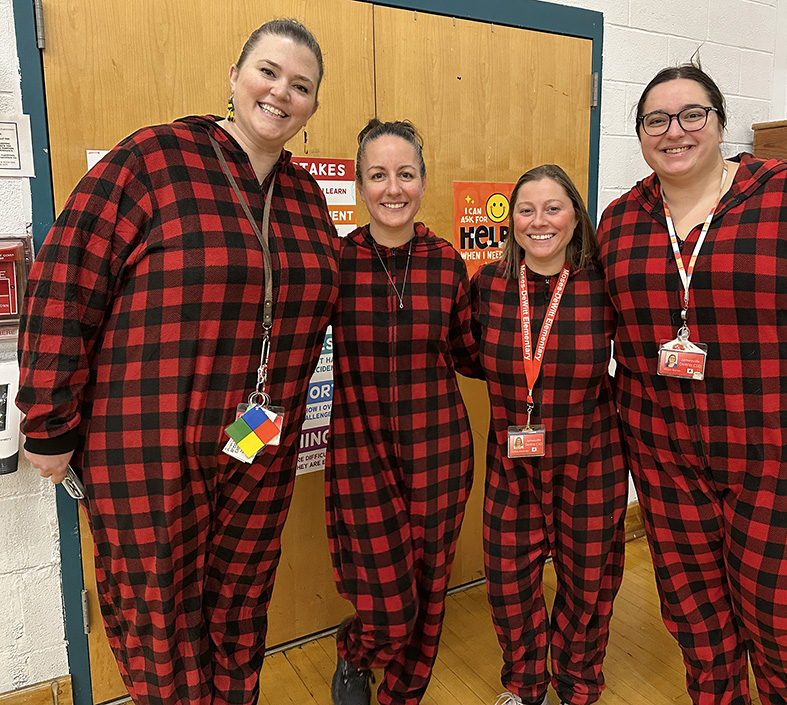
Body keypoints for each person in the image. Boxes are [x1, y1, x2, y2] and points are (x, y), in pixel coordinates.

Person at [17, 19, 338, 705]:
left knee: (240, 596)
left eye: (301, 85)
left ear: (312, 105)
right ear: (234, 75)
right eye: (268, 72)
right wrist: (47, 420)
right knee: (158, 609)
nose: (281, 92)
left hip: (256, 437)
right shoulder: (153, 159)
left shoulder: (308, 200)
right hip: (147, 437)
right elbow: (66, 280)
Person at [598, 61, 787, 705]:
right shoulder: (621, 223)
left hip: (781, 465)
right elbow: (603, 332)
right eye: (656, 120)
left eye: (691, 115)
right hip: (666, 463)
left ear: (720, 123)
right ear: (641, 134)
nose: (674, 130)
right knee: (698, 626)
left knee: (782, 625)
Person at [326, 119, 481, 705]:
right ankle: (356, 653)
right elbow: (282, 358)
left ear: (423, 179)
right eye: (378, 175)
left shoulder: (446, 263)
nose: (393, 188)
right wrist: (243, 434)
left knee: (429, 590)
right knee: (390, 606)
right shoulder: (335, 262)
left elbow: (470, 353)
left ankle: (402, 695)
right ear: (361, 184)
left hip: (439, 451)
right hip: (361, 456)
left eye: (406, 174)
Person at [471, 165, 629, 705]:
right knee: (508, 583)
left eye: (553, 208)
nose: (540, 222)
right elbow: (468, 355)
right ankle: (524, 684)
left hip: (591, 461)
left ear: (576, 217)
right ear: (511, 219)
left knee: (589, 586)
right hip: (511, 463)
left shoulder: (602, 284)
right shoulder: (487, 286)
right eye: (526, 210)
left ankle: (578, 684)